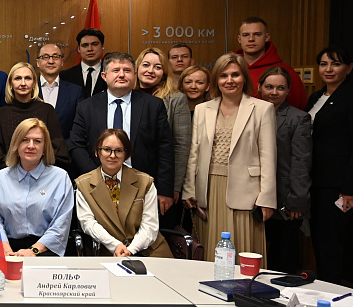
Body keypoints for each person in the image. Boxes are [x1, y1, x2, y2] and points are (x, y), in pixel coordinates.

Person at [75, 129, 203, 307]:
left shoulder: (144, 182)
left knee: (153, 287)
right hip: (108, 252)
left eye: (118, 150)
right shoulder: (83, 184)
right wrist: (116, 246)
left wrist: (131, 249)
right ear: (97, 152)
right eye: (106, 149)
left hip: (147, 249)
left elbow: (151, 226)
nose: (112, 155)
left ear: (127, 153)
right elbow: (88, 223)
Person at [183, 54, 276, 262]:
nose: (230, 80)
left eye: (235, 74)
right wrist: (189, 189)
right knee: (211, 253)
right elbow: (193, 153)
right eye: (223, 75)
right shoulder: (202, 109)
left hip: (247, 192)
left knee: (242, 252)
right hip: (208, 190)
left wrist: (267, 199)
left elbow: (268, 156)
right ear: (216, 79)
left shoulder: (262, 109)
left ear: (245, 78)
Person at [70, 52, 175, 209]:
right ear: (104, 76)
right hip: (97, 186)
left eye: (127, 70)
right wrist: (96, 177)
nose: (121, 75)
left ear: (134, 74)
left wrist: (165, 190)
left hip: (142, 186)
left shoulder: (153, 105)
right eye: (116, 70)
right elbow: (76, 145)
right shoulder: (87, 107)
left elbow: (165, 148)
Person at [306, 46, 353, 284]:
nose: (329, 69)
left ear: (349, 68)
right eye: (324, 64)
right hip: (316, 181)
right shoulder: (316, 97)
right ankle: (325, 288)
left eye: (336, 64)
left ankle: (336, 291)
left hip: (339, 186)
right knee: (320, 240)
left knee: (333, 244)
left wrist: (351, 187)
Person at [0, 118, 74, 256]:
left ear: (45, 147)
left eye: (37, 141)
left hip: (46, 249)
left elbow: (61, 224)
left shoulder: (60, 178)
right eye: (25, 140)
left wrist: (33, 250)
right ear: (16, 145)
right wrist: (6, 250)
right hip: (6, 248)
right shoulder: (1, 178)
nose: (31, 146)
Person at [259, 67, 312, 273]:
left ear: (288, 90)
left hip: (285, 199)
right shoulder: (250, 113)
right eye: (269, 87)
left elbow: (301, 161)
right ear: (260, 87)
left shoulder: (298, 118)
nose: (274, 92)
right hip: (254, 196)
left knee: (283, 257)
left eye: (280, 88)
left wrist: (297, 200)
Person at [135, 47, 191, 218]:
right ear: (137, 68)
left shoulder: (176, 99)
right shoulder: (126, 95)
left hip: (161, 178)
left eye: (157, 67)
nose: (151, 71)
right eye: (146, 65)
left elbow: (181, 146)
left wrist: (173, 186)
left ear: (164, 73)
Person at [0, 61, 70, 172]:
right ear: (10, 84)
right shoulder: (1, 114)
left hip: (44, 175)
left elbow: (60, 153)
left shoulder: (47, 110)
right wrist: (20, 170)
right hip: (11, 175)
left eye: (27, 78)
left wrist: (34, 169)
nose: (23, 83)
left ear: (34, 83)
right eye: (18, 78)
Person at [234, 17, 305, 108]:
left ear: (267, 37)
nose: (251, 39)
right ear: (239, 39)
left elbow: (298, 110)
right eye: (246, 35)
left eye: (257, 34)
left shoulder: (287, 72)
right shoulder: (228, 70)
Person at [36, 42, 82, 139]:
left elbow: (79, 127)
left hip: (66, 147)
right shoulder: (29, 89)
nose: (51, 61)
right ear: (38, 62)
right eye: (45, 57)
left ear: (62, 62)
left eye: (55, 57)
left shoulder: (75, 92)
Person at [60, 28, 107, 97]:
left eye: (94, 44)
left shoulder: (111, 74)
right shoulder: (65, 76)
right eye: (85, 45)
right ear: (79, 49)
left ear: (102, 46)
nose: (90, 49)